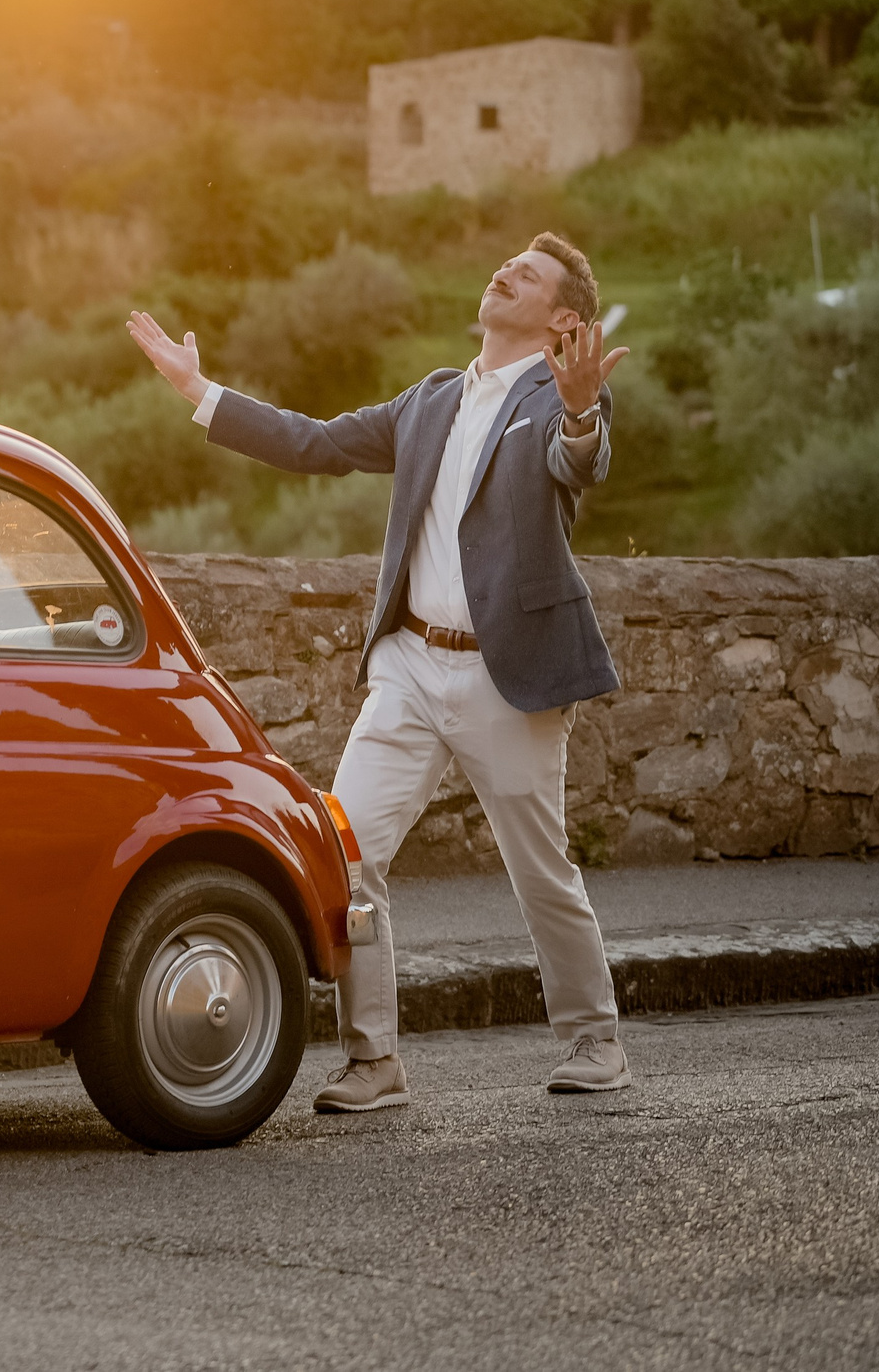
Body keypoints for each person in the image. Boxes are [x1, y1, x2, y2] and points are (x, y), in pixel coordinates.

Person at [127, 232, 634, 1108]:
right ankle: (374, 1059)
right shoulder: (431, 399)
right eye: (504, 261)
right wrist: (195, 389)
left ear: (562, 318)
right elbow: (314, 443)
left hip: (505, 676)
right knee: (344, 848)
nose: (502, 270)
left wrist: (585, 410)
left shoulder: (560, 397)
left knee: (540, 871)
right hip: (407, 664)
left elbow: (576, 461)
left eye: (527, 273)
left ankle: (596, 1043)